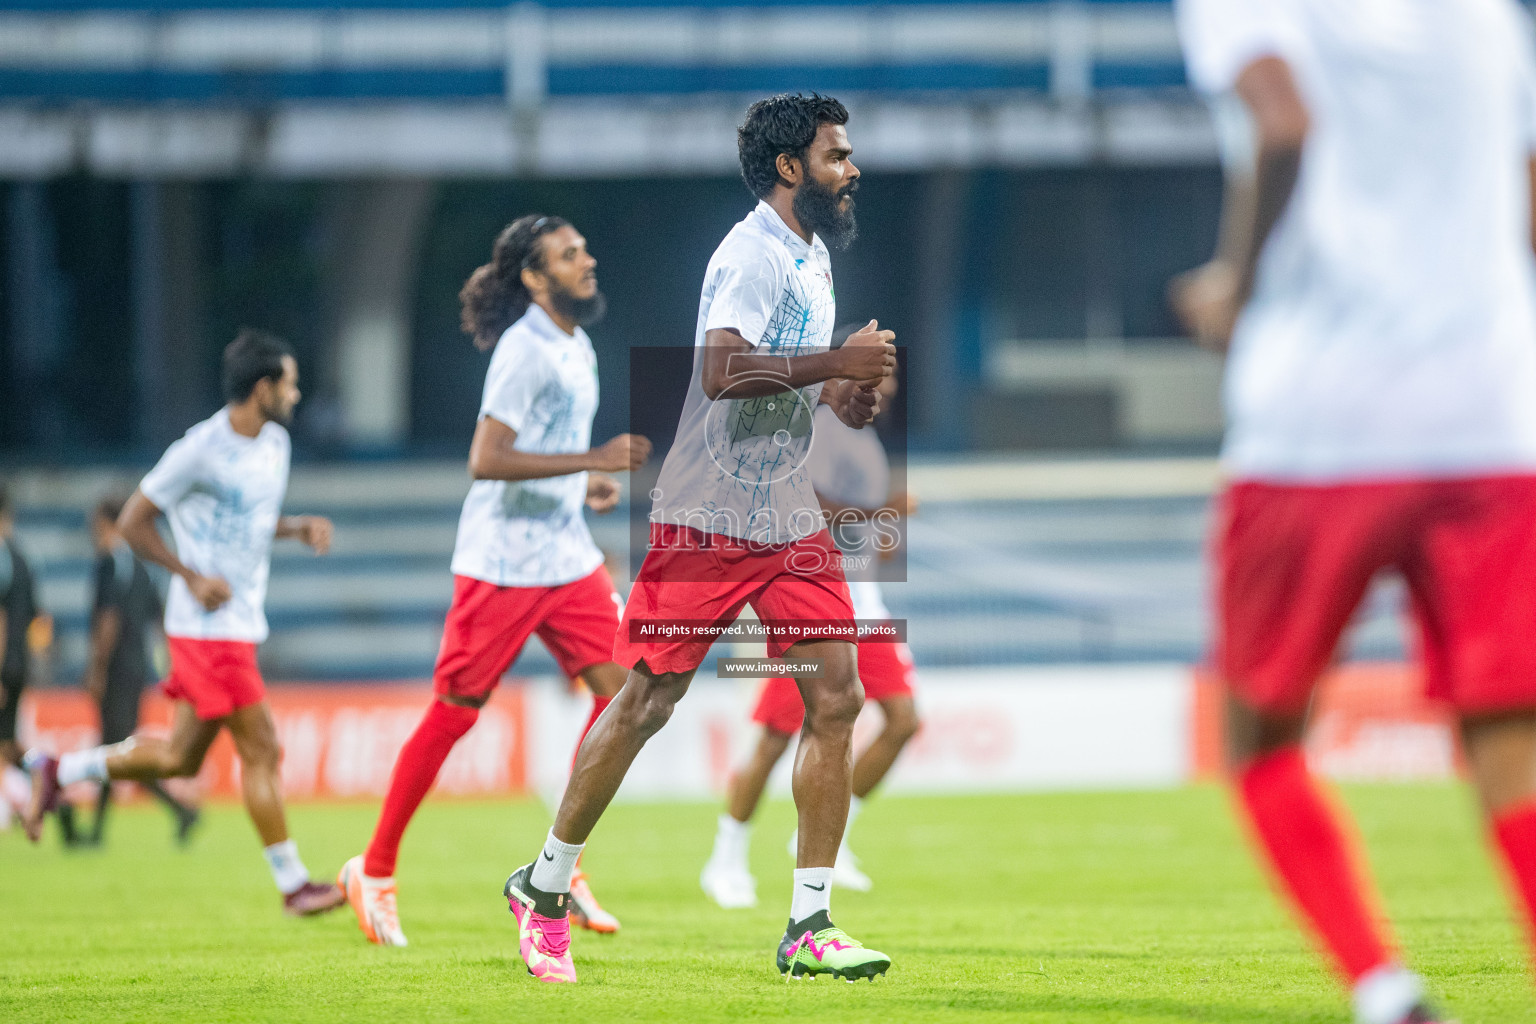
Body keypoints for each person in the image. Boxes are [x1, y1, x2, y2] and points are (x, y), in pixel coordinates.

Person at [1171, 1, 1536, 1021]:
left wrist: (1238, 285)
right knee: (1511, 738)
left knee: (1260, 732)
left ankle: (1383, 987)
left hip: (1319, 414)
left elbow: (1283, 122)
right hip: (1492, 410)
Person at [499, 93, 897, 985]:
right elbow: (721, 373)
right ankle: (546, 884)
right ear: (792, 168)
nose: (852, 167)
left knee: (838, 694)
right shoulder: (748, 253)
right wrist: (836, 363)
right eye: (837, 155)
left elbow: (788, 383)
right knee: (647, 702)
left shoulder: (814, 254)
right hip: (706, 508)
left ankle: (809, 923)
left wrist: (847, 395)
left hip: (785, 508)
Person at [337, 214, 651, 948]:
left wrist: (585, 486)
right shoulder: (523, 350)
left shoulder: (577, 343)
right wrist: (593, 461)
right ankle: (373, 870)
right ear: (536, 279)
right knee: (456, 712)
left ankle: (557, 867)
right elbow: (487, 457)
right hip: (503, 562)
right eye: (570, 255)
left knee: (626, 691)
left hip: (565, 554)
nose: (588, 259)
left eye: (584, 247)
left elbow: (550, 448)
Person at [22, 330, 345, 917]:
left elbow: (249, 520)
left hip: (239, 622)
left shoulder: (274, 444)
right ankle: (294, 884)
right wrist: (190, 574)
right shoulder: (198, 450)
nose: (297, 395)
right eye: (290, 383)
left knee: (179, 758)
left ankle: (57, 767)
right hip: (206, 628)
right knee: (262, 748)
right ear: (263, 387)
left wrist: (294, 527)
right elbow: (134, 521)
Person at [702, 357, 918, 907]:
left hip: (862, 605)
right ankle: (725, 858)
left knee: (903, 722)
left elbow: (866, 533)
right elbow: (804, 504)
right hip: (813, 602)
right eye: (876, 376)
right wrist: (882, 513)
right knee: (776, 739)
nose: (885, 387)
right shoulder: (821, 430)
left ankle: (830, 836)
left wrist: (882, 529)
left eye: (889, 377)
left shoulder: (864, 438)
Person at [69, 493, 199, 846]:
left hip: (115, 670)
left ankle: (174, 811)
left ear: (107, 523)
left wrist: (96, 669)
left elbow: (107, 620)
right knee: (116, 748)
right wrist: (166, 666)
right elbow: (158, 621)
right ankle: (176, 811)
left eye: (96, 524)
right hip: (136, 668)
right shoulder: (142, 568)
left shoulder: (111, 563)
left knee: (112, 749)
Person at [0, 481, 43, 820]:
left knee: (6, 743)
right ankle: (48, 784)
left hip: (3, 667)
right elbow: (38, 619)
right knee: (8, 741)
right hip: (19, 664)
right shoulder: (23, 560)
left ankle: (40, 785)